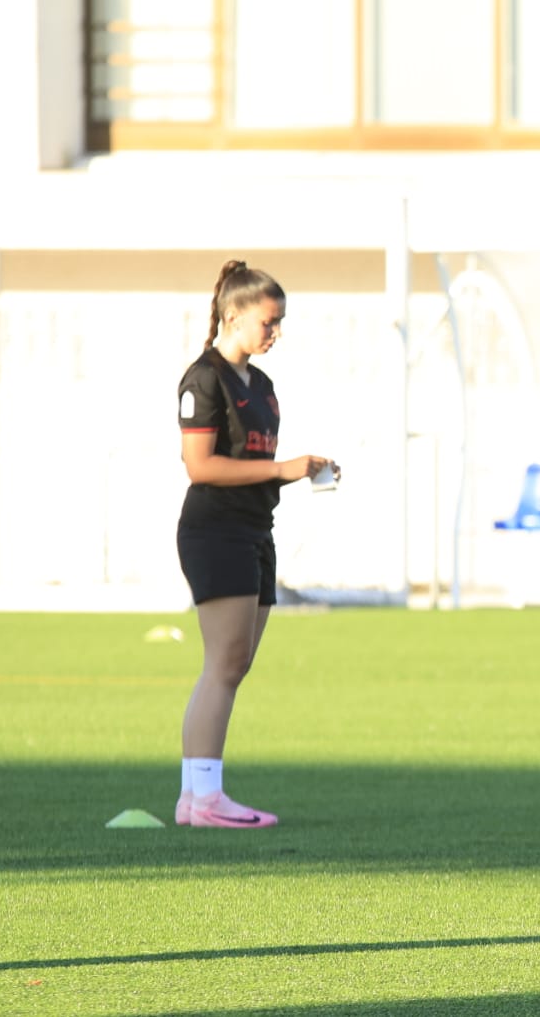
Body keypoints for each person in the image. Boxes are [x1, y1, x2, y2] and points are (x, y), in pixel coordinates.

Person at [173, 260, 337, 829]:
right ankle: (204, 798)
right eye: (269, 321)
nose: (276, 332)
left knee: (233, 664)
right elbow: (200, 466)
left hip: (254, 530)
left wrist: (302, 470)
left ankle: (196, 797)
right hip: (215, 531)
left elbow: (253, 464)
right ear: (234, 315)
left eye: (280, 322)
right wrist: (281, 468)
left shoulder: (262, 386)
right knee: (223, 664)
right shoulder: (204, 378)